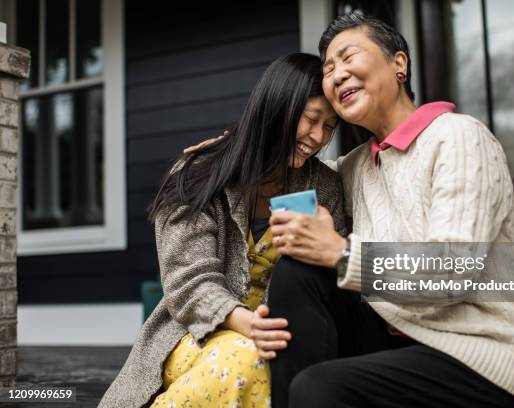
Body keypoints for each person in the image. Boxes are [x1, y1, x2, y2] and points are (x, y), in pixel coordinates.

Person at [262, 13, 514, 408]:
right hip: (393, 339)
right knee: (297, 270)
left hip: (475, 355)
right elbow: (286, 168)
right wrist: (231, 150)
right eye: (328, 68)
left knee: (319, 388)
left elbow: (452, 273)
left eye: (348, 57)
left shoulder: (458, 137)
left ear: (399, 64)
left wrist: (341, 254)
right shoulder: (357, 166)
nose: (337, 75)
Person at [98, 53, 346, 408]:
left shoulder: (325, 189)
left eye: (330, 126)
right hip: (193, 333)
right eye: (310, 119)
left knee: (271, 369)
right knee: (245, 362)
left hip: (283, 339)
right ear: (277, 107)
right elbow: (188, 282)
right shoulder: (199, 174)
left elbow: (326, 283)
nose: (318, 136)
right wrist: (247, 324)